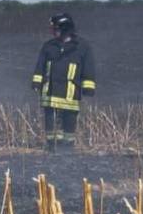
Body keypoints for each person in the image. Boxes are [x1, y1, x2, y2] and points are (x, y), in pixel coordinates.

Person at [32, 13, 96, 150]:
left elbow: (88, 68)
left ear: (65, 29)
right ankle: (52, 145)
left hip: (71, 92)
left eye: (56, 29)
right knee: (51, 119)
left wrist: (88, 87)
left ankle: (67, 147)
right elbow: (40, 66)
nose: (53, 32)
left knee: (69, 120)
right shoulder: (48, 46)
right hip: (50, 91)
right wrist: (36, 82)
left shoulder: (82, 46)